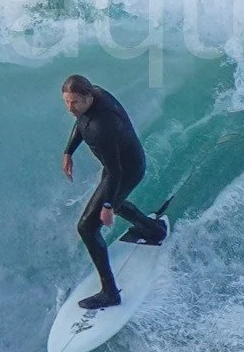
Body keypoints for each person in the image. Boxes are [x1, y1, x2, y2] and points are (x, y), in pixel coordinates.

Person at [59, 74, 169, 310]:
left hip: (124, 170)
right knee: (114, 202)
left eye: (75, 102)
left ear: (88, 97)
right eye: (66, 102)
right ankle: (154, 230)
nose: (70, 108)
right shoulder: (94, 97)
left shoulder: (102, 126)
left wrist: (107, 208)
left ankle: (110, 293)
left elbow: (115, 172)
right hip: (128, 162)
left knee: (87, 227)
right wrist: (69, 151)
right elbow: (80, 121)